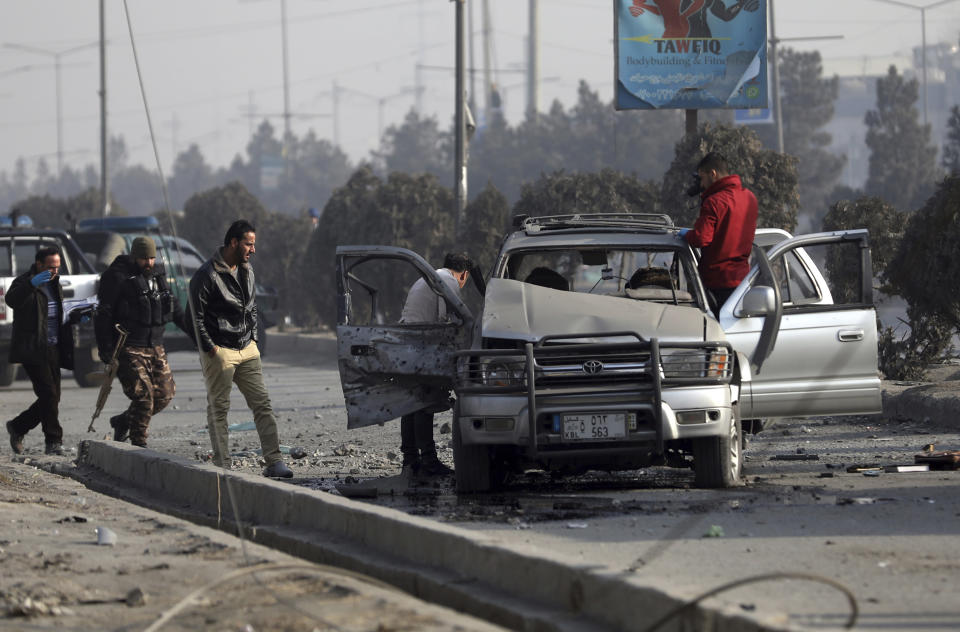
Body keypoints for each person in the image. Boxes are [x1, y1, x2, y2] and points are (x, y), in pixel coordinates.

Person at [189, 220, 292, 478]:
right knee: (219, 410)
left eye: (254, 244)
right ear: (233, 242)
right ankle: (223, 468)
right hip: (220, 352)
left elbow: (252, 306)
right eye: (249, 244)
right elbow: (194, 318)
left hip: (247, 349)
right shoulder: (207, 275)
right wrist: (212, 349)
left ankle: (274, 462)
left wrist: (254, 338)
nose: (253, 250)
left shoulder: (247, 270)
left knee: (262, 405)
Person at [94, 236, 191, 447]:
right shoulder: (117, 277)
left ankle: (122, 421)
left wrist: (195, 335)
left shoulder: (158, 275)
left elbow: (173, 307)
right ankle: (139, 445)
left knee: (164, 395)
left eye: (152, 258)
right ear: (134, 256)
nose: (148, 263)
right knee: (144, 396)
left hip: (155, 345)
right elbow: (103, 314)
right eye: (144, 258)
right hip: (129, 346)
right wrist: (106, 350)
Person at [398, 252, 472, 477]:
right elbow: (444, 319)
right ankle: (429, 462)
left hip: (408, 342)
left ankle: (410, 461)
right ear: (464, 275)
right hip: (423, 343)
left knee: (411, 405)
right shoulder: (449, 281)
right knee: (426, 403)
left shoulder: (430, 276)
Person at [5, 247, 68, 455]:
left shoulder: (55, 285)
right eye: (51, 267)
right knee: (48, 394)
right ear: (39, 264)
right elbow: (12, 300)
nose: (54, 271)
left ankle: (18, 426)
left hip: (53, 347)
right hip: (33, 348)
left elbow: (55, 315)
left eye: (57, 267)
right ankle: (53, 441)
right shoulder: (23, 282)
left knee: (53, 397)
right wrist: (31, 285)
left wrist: (76, 316)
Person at [680, 152, 758, 317]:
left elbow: (701, 238)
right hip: (743, 281)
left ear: (712, 173)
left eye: (702, 178)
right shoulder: (750, 198)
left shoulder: (714, 202)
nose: (701, 184)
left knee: (715, 333)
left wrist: (686, 235)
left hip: (717, 283)